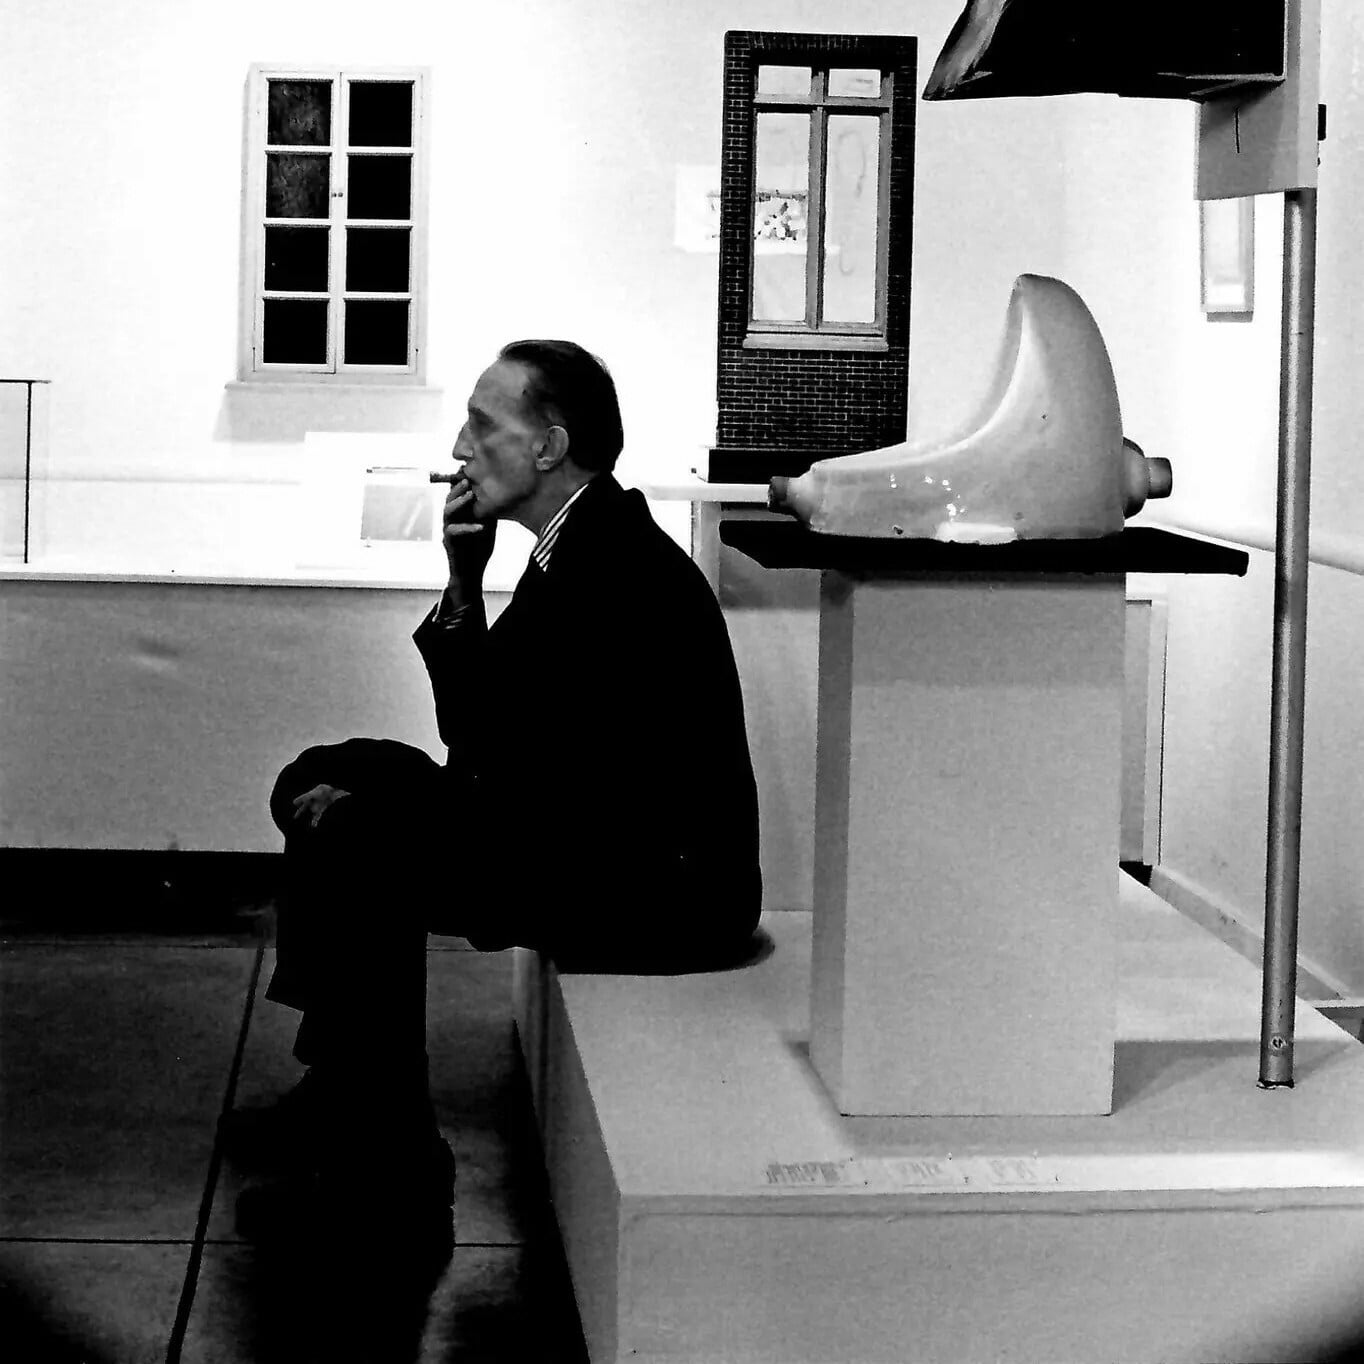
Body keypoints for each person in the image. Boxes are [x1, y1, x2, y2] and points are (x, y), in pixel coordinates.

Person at [229, 340, 764, 1259]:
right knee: (328, 770)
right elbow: (483, 739)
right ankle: (340, 1080)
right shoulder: (580, 546)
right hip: (591, 835)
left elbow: (495, 759)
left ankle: (389, 1163)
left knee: (359, 830)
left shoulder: (613, 567)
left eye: (483, 426)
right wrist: (463, 576)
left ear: (549, 446)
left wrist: (386, 818)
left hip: (661, 888)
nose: (460, 448)